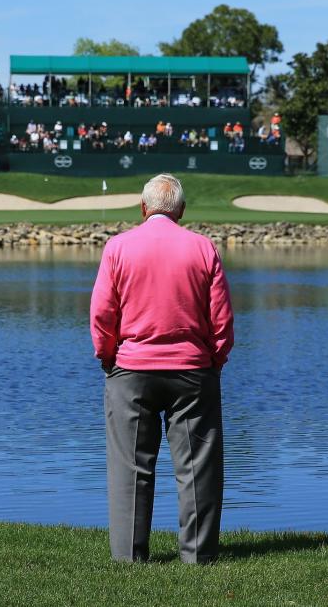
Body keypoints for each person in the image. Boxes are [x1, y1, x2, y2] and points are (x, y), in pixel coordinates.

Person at [90, 173, 234, 564]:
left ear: (142, 208)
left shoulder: (118, 247)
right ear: (181, 212)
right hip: (192, 371)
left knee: (129, 469)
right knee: (197, 468)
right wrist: (215, 361)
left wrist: (107, 357)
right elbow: (221, 320)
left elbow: (103, 313)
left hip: (131, 368)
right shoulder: (204, 248)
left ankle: (129, 558)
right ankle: (198, 556)